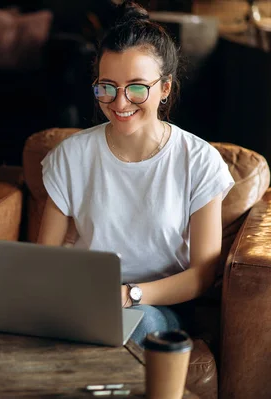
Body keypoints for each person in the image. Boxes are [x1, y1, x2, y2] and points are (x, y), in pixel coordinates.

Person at [38, 0, 235, 346]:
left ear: (165, 88)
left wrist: (130, 294)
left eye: (137, 87)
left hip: (159, 305)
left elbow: (202, 276)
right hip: (82, 302)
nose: (120, 102)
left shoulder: (199, 161)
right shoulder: (69, 156)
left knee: (127, 324)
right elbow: (45, 258)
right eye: (107, 86)